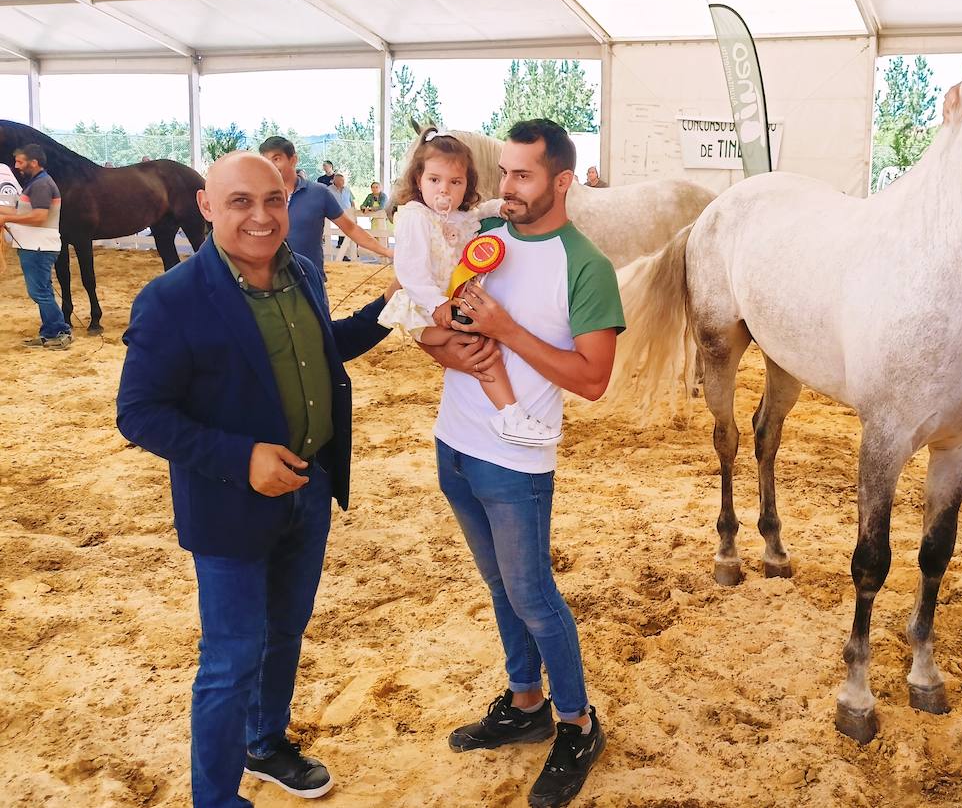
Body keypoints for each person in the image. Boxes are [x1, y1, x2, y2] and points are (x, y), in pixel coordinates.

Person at [116, 152, 394, 808]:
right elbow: (140, 412)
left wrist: (393, 307)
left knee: (285, 630)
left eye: (274, 199)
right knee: (230, 659)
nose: (262, 216)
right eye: (240, 201)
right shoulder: (171, 298)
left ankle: (265, 742)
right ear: (207, 207)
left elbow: (329, 347)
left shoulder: (299, 272)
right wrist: (241, 459)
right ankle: (215, 798)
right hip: (229, 507)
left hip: (311, 486)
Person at [437, 119, 623, 808]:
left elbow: (594, 378)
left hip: (516, 460)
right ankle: (525, 702)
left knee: (535, 597)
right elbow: (448, 320)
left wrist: (506, 330)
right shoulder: (484, 241)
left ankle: (577, 723)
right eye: (504, 172)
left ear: (562, 181)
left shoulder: (586, 265)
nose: (505, 187)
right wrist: (445, 334)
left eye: (523, 175)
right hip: (453, 442)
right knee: (499, 586)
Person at [379, 128, 559, 446]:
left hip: (449, 304)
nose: (444, 190)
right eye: (434, 180)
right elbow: (409, 272)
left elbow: (478, 213)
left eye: (455, 182)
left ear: (467, 185)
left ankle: (499, 413)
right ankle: (510, 414)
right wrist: (437, 304)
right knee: (482, 347)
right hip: (424, 310)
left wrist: (496, 208)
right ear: (418, 179)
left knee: (483, 343)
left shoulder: (459, 217)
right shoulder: (415, 218)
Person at [257, 137, 391, 287]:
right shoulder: (257, 195)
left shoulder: (319, 193)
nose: (271, 166)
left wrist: (387, 252)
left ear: (293, 159)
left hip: (309, 282)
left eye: (276, 159)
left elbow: (351, 228)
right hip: (266, 284)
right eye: (266, 161)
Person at [0, 144, 72, 349]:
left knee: (39, 291)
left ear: (34, 162)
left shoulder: (41, 185)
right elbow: (21, 210)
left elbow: (39, 217)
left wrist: (5, 217)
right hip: (36, 245)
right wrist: (5, 213)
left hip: (38, 246)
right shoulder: (37, 183)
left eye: (20, 162)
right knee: (42, 290)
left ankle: (59, 331)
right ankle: (51, 332)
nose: (16, 166)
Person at [330, 172, 357, 259]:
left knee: (351, 230)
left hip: (349, 213)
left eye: (343, 180)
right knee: (342, 230)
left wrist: (353, 209)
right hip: (337, 213)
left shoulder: (347, 189)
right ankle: (342, 251)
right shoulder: (329, 189)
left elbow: (352, 201)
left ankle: (353, 251)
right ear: (335, 180)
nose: (342, 182)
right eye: (340, 180)